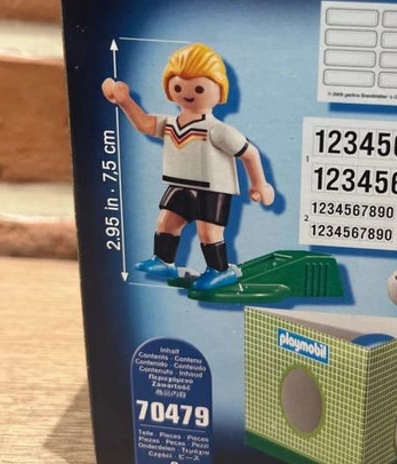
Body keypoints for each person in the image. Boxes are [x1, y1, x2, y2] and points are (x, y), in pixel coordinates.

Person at [102, 42, 275, 291]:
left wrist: (260, 184)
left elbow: (250, 153)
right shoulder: (171, 123)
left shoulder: (217, 131)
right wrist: (124, 101)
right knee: (166, 223)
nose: (187, 93)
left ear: (220, 91)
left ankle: (220, 270)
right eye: (178, 86)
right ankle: (164, 261)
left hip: (212, 190)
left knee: (209, 234)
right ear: (169, 89)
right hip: (179, 183)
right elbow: (144, 124)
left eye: (199, 88)